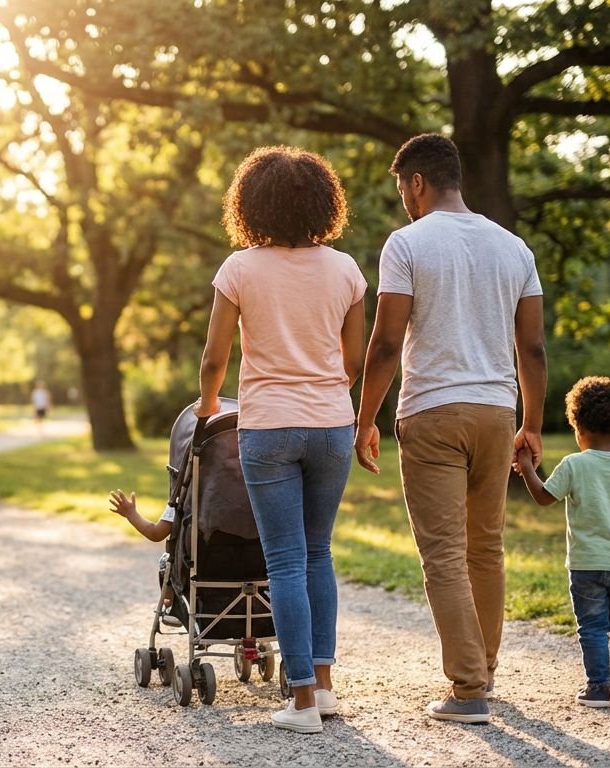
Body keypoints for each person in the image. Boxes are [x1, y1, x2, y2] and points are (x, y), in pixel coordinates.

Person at [353, 133, 548, 725]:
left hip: (433, 412)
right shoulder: (514, 247)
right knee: (485, 547)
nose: (404, 203)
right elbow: (533, 349)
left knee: (443, 554)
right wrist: (533, 424)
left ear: (417, 182)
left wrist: (365, 418)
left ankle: (469, 692)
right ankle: (482, 670)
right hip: (497, 412)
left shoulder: (406, 244)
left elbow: (387, 342)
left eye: (403, 191)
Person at [196, 146, 367, 733]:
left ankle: (298, 705)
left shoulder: (240, 269)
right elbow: (352, 359)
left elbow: (216, 356)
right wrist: (326, 393)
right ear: (324, 203)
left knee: (286, 561)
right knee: (318, 553)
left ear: (252, 204)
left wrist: (210, 405)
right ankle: (323, 689)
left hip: (268, 424)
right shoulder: (345, 270)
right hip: (332, 424)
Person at [513, 376, 610, 708]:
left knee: (592, 624)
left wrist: (526, 466)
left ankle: (598, 688)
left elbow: (543, 497)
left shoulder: (574, 464)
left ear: (577, 425)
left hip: (586, 564)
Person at [107, 489, 182, 628]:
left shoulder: (183, 498)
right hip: (233, 569)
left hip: (193, 568)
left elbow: (155, 533)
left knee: (167, 562)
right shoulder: (235, 498)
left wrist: (131, 514)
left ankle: (173, 606)